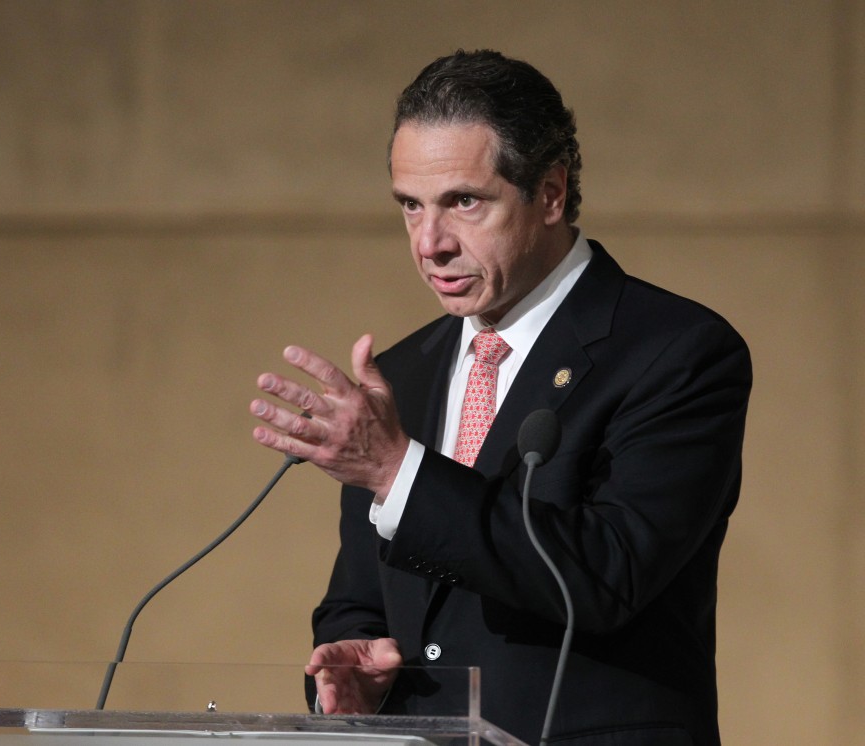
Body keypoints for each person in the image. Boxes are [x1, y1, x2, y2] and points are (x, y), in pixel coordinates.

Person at [250, 49, 751, 746]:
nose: (429, 243)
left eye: (463, 202)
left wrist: (398, 471)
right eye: (410, 206)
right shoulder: (402, 373)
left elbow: (609, 572)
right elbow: (361, 600)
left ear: (549, 193)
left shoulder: (675, 351)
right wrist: (354, 665)